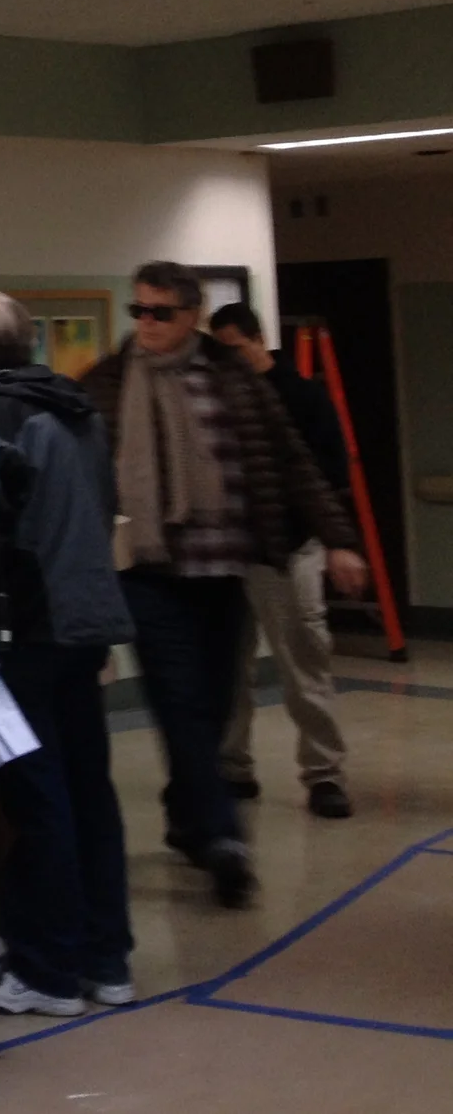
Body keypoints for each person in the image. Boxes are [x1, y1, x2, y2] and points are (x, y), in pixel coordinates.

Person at [82, 262, 367, 911]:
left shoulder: (232, 377)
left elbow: (289, 459)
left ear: (191, 315)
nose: (146, 324)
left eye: (160, 312)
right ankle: (223, 841)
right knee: (180, 702)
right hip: (148, 572)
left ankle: (187, 814)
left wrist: (339, 536)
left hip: (226, 570)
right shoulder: (109, 382)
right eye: (138, 311)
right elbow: (83, 479)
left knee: (209, 705)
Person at [0, 293, 135, 1019]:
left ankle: (48, 971)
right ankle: (107, 959)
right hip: (83, 624)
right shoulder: (81, 410)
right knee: (91, 791)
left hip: (21, 629)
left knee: (37, 797)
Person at [206, 303, 354, 819]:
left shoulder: (304, 397)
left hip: (290, 551)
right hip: (232, 553)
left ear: (257, 340)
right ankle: (232, 767)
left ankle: (324, 774)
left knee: (303, 665)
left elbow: (331, 473)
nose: (228, 362)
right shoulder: (221, 400)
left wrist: (337, 541)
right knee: (228, 669)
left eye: (234, 350)